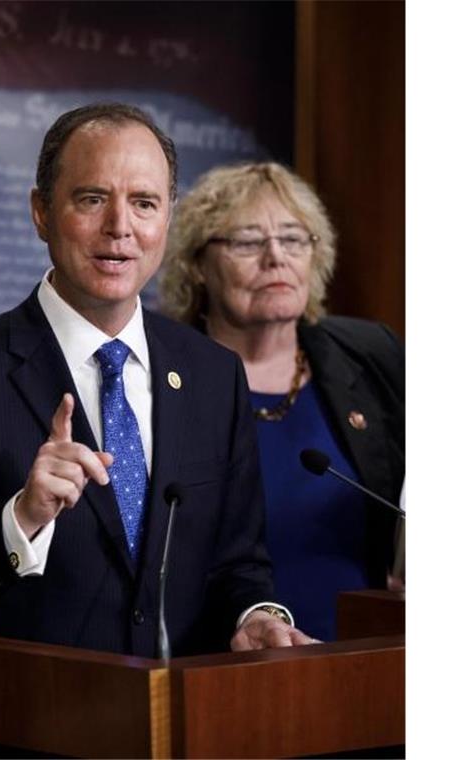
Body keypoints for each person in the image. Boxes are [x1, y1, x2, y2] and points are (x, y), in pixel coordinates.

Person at [0, 102, 316, 658]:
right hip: (31, 732)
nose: (120, 228)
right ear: (41, 212)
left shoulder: (213, 373)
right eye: (92, 199)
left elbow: (238, 563)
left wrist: (253, 614)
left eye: (143, 203)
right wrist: (22, 517)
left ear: (167, 218)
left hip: (183, 728)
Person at [158, 162, 405, 640]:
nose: (276, 258)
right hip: (221, 665)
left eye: (294, 239)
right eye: (247, 242)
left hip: (367, 660)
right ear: (197, 265)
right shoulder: (163, 374)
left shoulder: (372, 355)